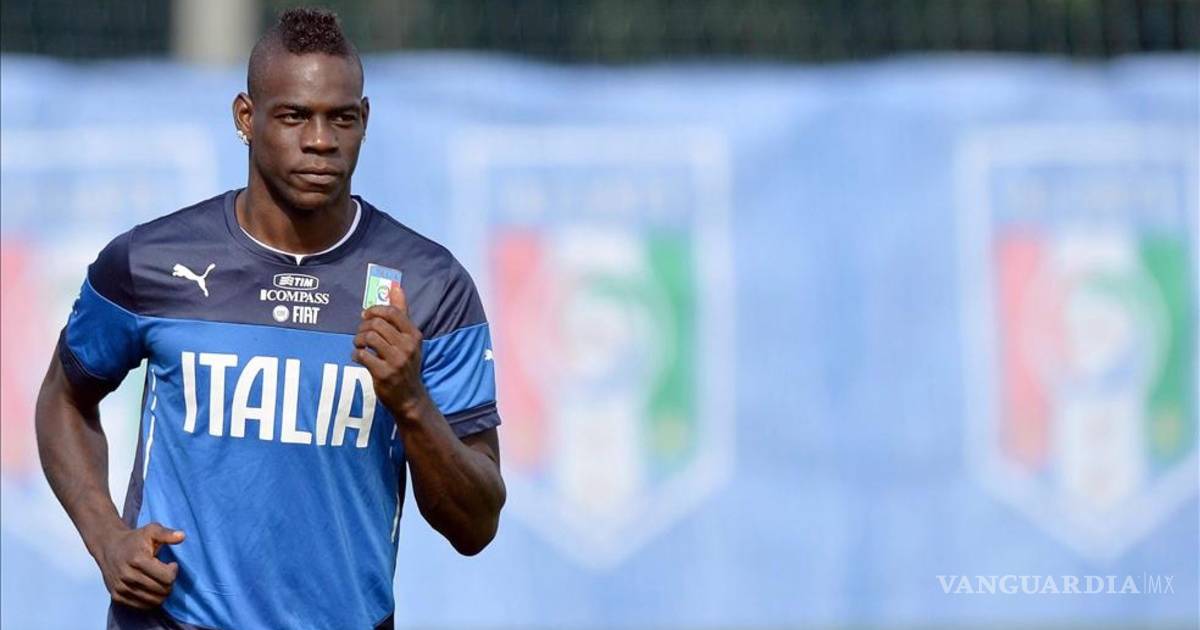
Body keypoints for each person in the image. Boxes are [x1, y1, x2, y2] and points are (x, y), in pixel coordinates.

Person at [34, 8, 505, 629]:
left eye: (341, 118)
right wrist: (106, 537)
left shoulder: (428, 286)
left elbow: (476, 526)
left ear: (364, 121)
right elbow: (64, 398)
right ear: (246, 118)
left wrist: (412, 403)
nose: (320, 141)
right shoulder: (149, 263)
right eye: (293, 116)